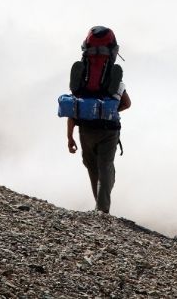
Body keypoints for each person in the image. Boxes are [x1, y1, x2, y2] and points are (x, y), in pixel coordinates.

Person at [65, 26, 132, 214]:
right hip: (109, 130)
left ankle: (99, 207)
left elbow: (73, 108)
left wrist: (70, 137)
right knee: (105, 167)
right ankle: (102, 210)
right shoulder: (113, 78)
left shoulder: (81, 77)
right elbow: (127, 103)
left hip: (85, 130)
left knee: (92, 167)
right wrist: (107, 110)